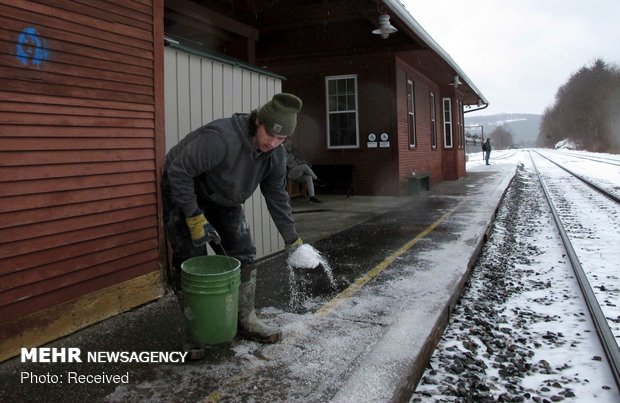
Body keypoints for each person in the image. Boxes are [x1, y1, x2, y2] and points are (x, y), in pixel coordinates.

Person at [161, 93, 305, 344]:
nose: (272, 142)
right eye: (269, 133)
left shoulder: (274, 155)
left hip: (224, 197)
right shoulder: (220, 139)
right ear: (257, 121)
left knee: (243, 252)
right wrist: (194, 218)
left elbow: (277, 197)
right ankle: (197, 331)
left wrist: (292, 239)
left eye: (280, 138)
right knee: (193, 259)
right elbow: (178, 172)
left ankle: (245, 319)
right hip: (182, 190)